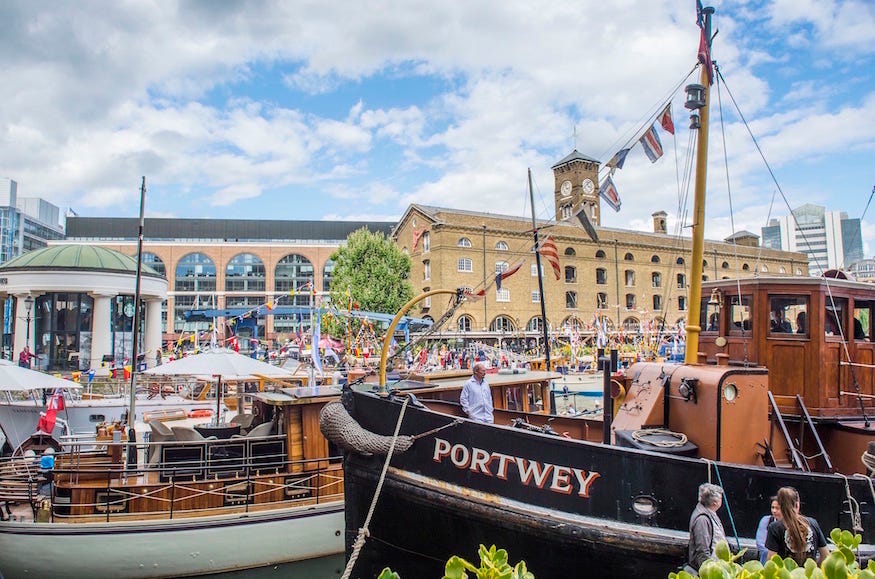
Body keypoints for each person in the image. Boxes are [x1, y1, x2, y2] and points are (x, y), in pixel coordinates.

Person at [765, 486, 829, 565]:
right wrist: (815, 567)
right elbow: (826, 556)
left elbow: (771, 562)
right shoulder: (813, 523)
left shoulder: (774, 528)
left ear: (780, 506)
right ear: (797, 505)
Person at [687, 483, 727, 573]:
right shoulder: (702, 520)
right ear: (715, 502)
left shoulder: (710, 513)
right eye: (721, 498)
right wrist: (708, 573)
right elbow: (702, 549)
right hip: (706, 570)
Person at [756, 496, 781, 564]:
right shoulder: (766, 520)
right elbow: (760, 543)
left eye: (777, 508)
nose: (774, 511)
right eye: (772, 507)